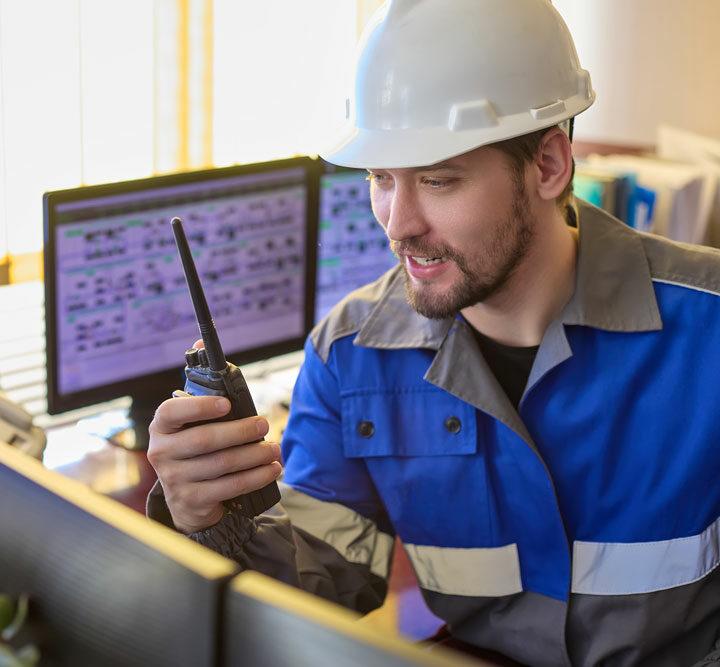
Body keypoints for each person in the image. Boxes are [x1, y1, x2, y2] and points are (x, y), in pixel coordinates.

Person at [146, 1, 720, 665]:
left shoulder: (706, 332)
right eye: (381, 180)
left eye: (438, 180)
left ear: (549, 165)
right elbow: (314, 590)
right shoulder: (350, 358)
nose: (397, 224)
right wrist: (209, 518)